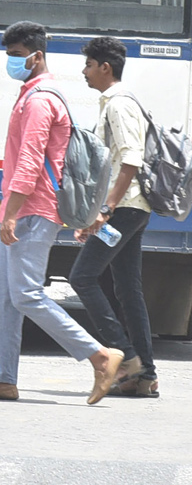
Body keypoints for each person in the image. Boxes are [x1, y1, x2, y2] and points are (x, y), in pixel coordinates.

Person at [0, 21, 123, 404]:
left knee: (27, 294)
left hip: (33, 210)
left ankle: (100, 356)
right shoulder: (35, 94)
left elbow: (30, 163)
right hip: (22, 208)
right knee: (3, 295)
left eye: (17, 56)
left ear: (37, 55)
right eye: (9, 56)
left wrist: (12, 213)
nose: (12, 63)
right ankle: (3, 378)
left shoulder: (39, 100)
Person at [69, 36, 158, 398]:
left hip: (124, 210)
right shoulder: (118, 102)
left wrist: (104, 211)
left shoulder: (119, 105)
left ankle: (126, 358)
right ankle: (145, 374)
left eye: (89, 65)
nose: (85, 71)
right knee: (127, 289)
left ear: (106, 67)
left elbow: (131, 160)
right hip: (131, 211)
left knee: (83, 276)